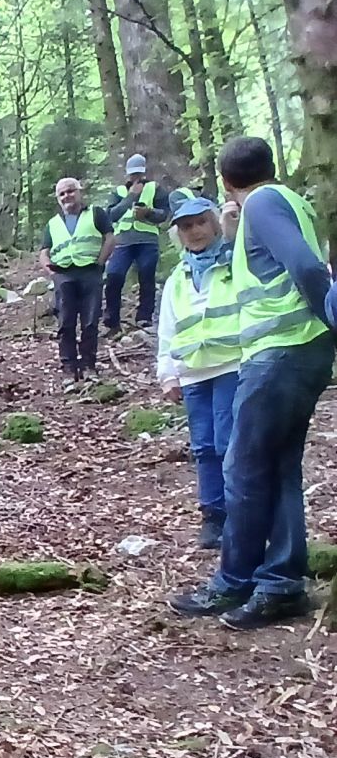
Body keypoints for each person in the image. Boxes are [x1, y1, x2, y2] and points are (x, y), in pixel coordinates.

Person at [169, 137, 335, 629]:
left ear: (225, 183)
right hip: (297, 352)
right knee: (279, 467)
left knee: (243, 467)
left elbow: (305, 266)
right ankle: (281, 582)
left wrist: (331, 315)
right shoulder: (283, 203)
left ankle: (234, 580)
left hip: (281, 354)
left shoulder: (263, 203)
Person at [155, 192, 240, 550]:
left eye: (201, 222)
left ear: (214, 222)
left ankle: (238, 512)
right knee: (203, 446)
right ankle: (212, 515)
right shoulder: (179, 276)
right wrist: (167, 372)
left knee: (227, 442)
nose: (195, 232)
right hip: (193, 372)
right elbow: (168, 327)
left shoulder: (235, 261)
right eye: (186, 226)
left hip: (232, 364)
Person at [39, 177, 115, 387]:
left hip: (90, 272)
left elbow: (109, 237)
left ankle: (89, 366)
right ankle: (69, 369)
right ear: (58, 199)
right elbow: (44, 251)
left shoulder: (96, 214)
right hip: (64, 275)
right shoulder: (53, 224)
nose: (67, 197)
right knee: (66, 322)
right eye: (62, 194)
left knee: (90, 322)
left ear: (79, 192)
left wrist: (100, 262)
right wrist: (51, 272)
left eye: (70, 191)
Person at [101, 153, 171, 335]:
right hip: (122, 241)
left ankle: (144, 317)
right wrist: (131, 197)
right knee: (114, 276)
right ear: (127, 174)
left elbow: (164, 214)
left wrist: (148, 213)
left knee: (147, 276)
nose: (136, 177)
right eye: (133, 174)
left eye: (139, 173)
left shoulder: (155, 189)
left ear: (144, 172)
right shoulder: (118, 192)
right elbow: (111, 215)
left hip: (147, 240)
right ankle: (112, 322)